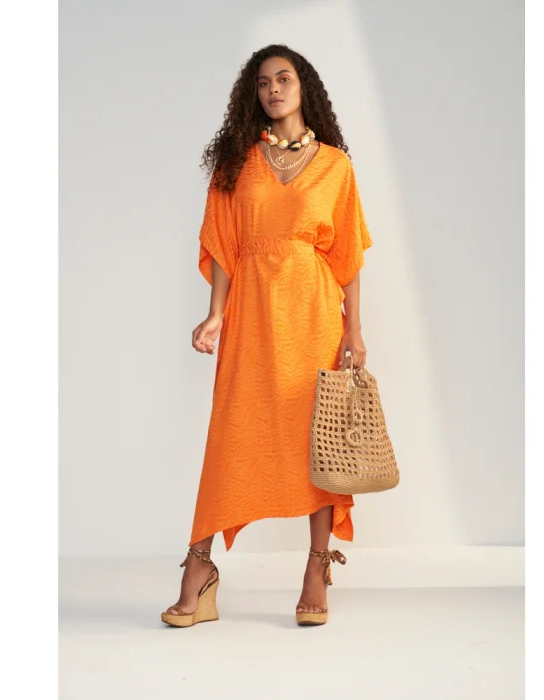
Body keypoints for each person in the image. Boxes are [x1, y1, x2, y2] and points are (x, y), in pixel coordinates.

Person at [161, 44, 373, 628]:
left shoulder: (336, 166)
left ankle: (316, 568)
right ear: (253, 94)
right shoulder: (237, 163)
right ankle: (199, 565)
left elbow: (348, 257)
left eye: (284, 79)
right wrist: (215, 314)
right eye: (263, 82)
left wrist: (355, 330)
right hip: (252, 312)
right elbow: (223, 243)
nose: (273, 89)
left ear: (304, 88)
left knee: (318, 438)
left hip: (313, 313)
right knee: (232, 430)